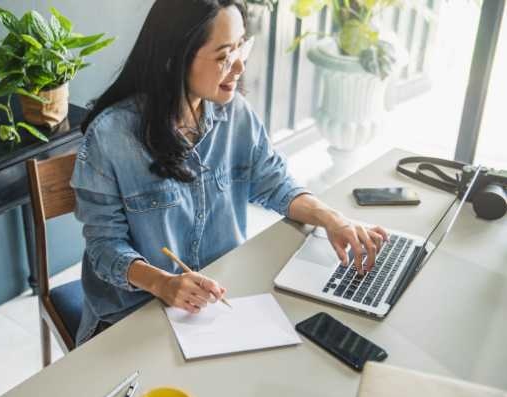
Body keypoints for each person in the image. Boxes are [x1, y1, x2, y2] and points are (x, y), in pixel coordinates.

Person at [70, 0, 388, 345]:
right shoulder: (110, 136)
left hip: (217, 302)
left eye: (240, 47)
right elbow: (104, 247)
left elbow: (275, 183)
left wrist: (332, 220)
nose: (239, 66)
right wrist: (163, 283)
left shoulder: (236, 114)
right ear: (174, 58)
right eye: (223, 56)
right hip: (134, 311)